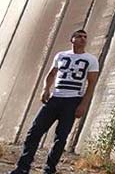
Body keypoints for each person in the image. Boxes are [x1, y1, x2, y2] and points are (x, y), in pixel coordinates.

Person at [11, 30, 99, 174]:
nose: (83, 39)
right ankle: (22, 168)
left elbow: (92, 84)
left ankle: (49, 169)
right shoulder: (61, 56)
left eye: (85, 37)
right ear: (72, 39)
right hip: (55, 99)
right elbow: (52, 74)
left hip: (72, 101)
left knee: (61, 138)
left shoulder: (91, 59)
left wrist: (83, 104)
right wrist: (46, 89)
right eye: (79, 36)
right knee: (34, 132)